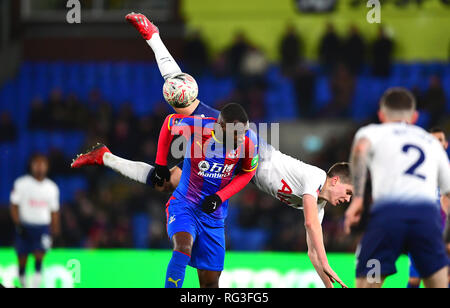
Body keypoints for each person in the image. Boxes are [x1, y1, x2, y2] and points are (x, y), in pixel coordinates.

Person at [71, 12, 349, 288]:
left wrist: (327, 279)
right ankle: (153, 36)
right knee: (182, 97)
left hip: (239, 165)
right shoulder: (314, 179)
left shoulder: (320, 204)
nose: (347, 198)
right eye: (347, 192)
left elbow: (313, 249)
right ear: (334, 180)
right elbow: (312, 226)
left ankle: (104, 156)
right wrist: (326, 262)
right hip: (238, 141)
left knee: (166, 181)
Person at [344, 87, 450, 288]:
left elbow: (360, 150)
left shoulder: (372, 132)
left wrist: (357, 199)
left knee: (371, 280)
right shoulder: (431, 142)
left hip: (387, 218)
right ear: (415, 116)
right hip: (426, 220)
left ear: (381, 115)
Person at [154, 103, 259, 288]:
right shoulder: (199, 126)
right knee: (182, 248)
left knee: (210, 282)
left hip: (214, 216)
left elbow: (247, 173)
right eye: (237, 133)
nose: (242, 137)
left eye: (244, 131)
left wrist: (220, 197)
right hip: (184, 204)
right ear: (221, 128)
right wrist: (160, 163)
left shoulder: (250, 142)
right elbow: (170, 122)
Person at [407, 127, 449, 288]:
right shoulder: (417, 172)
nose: (436, 144)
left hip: (445, 230)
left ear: (446, 144)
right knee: (415, 279)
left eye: (439, 140)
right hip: (422, 230)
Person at [10, 154, 60, 288]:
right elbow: (14, 206)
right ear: (31, 166)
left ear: (47, 167)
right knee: (22, 258)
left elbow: (54, 211)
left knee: (39, 255)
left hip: (42, 228)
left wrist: (54, 230)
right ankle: (22, 281)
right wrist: (18, 224)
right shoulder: (21, 184)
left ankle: (35, 284)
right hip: (25, 226)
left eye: (42, 164)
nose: (39, 167)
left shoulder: (52, 187)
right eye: (36, 164)